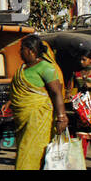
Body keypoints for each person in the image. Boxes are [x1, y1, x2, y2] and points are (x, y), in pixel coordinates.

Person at [11, 34, 66, 170]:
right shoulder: (22, 69)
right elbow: (22, 91)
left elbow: (56, 92)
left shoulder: (45, 68)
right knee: (25, 150)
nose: (20, 52)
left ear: (31, 50)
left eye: (22, 49)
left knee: (29, 153)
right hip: (23, 119)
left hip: (39, 118)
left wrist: (61, 117)